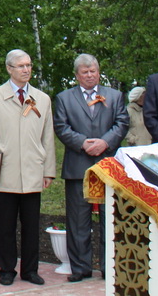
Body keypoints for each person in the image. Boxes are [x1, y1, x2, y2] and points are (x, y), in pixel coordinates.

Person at [0, 49, 56, 287]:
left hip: (33, 170)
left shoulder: (42, 99)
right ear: (9, 69)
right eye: (21, 66)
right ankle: (7, 269)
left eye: (29, 65)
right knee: (5, 226)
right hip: (5, 171)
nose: (26, 70)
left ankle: (30, 270)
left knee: (32, 225)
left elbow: (48, 137)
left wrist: (48, 170)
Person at [54, 54, 129, 282]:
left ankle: (109, 267)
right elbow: (60, 126)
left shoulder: (114, 96)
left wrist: (105, 142)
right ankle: (80, 268)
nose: (89, 75)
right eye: (85, 72)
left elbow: (122, 122)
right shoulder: (64, 98)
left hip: (108, 166)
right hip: (78, 166)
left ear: (98, 72)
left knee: (110, 219)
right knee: (78, 220)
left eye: (93, 71)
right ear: (77, 75)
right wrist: (83, 143)